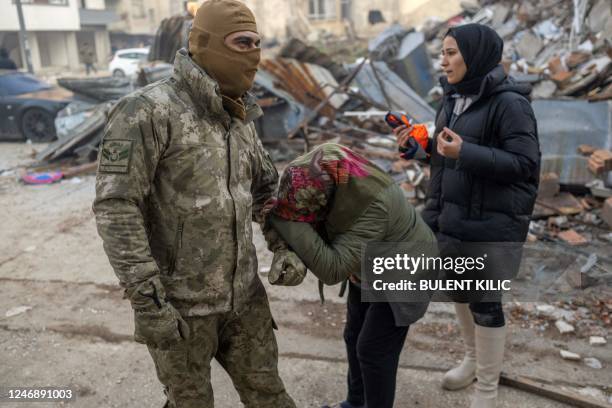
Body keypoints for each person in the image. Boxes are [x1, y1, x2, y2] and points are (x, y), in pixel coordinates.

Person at [93, 1, 303, 407]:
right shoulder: (148, 111)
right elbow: (116, 205)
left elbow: (264, 190)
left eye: (258, 43)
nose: (254, 54)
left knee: (271, 398)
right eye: (243, 42)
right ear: (205, 43)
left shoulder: (240, 114)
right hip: (180, 310)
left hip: (245, 300)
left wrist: (284, 245)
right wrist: (147, 298)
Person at [394, 23, 540, 408]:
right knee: (461, 291)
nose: (443, 61)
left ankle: (487, 391)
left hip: (492, 220)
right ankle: (472, 360)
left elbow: (525, 164)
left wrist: (466, 153)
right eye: (441, 53)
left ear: (475, 56)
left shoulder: (510, 104)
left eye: (451, 52)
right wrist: (420, 149)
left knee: (486, 303)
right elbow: (447, 157)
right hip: (452, 217)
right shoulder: (453, 99)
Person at [266, 143, 436, 408]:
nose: (302, 213)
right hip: (371, 264)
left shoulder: (372, 206)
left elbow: (332, 269)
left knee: (373, 351)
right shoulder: (335, 174)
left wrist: (286, 220)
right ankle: (356, 403)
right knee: (353, 335)